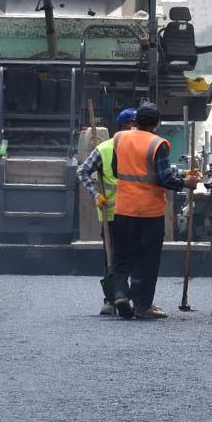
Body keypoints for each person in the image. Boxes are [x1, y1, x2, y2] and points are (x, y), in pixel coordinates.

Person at [110, 102, 199, 319]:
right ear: (156, 123)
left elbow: (115, 169)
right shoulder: (158, 144)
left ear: (136, 120)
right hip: (149, 213)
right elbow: (163, 177)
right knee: (147, 260)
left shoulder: (119, 138)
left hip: (122, 209)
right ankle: (142, 307)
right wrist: (185, 183)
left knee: (121, 257)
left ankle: (121, 294)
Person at [76, 107, 137, 315]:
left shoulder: (141, 146)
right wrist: (95, 194)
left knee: (131, 256)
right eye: (135, 124)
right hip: (112, 213)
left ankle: (126, 296)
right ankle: (112, 298)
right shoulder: (105, 149)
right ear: (126, 126)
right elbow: (82, 170)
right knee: (112, 257)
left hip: (137, 212)